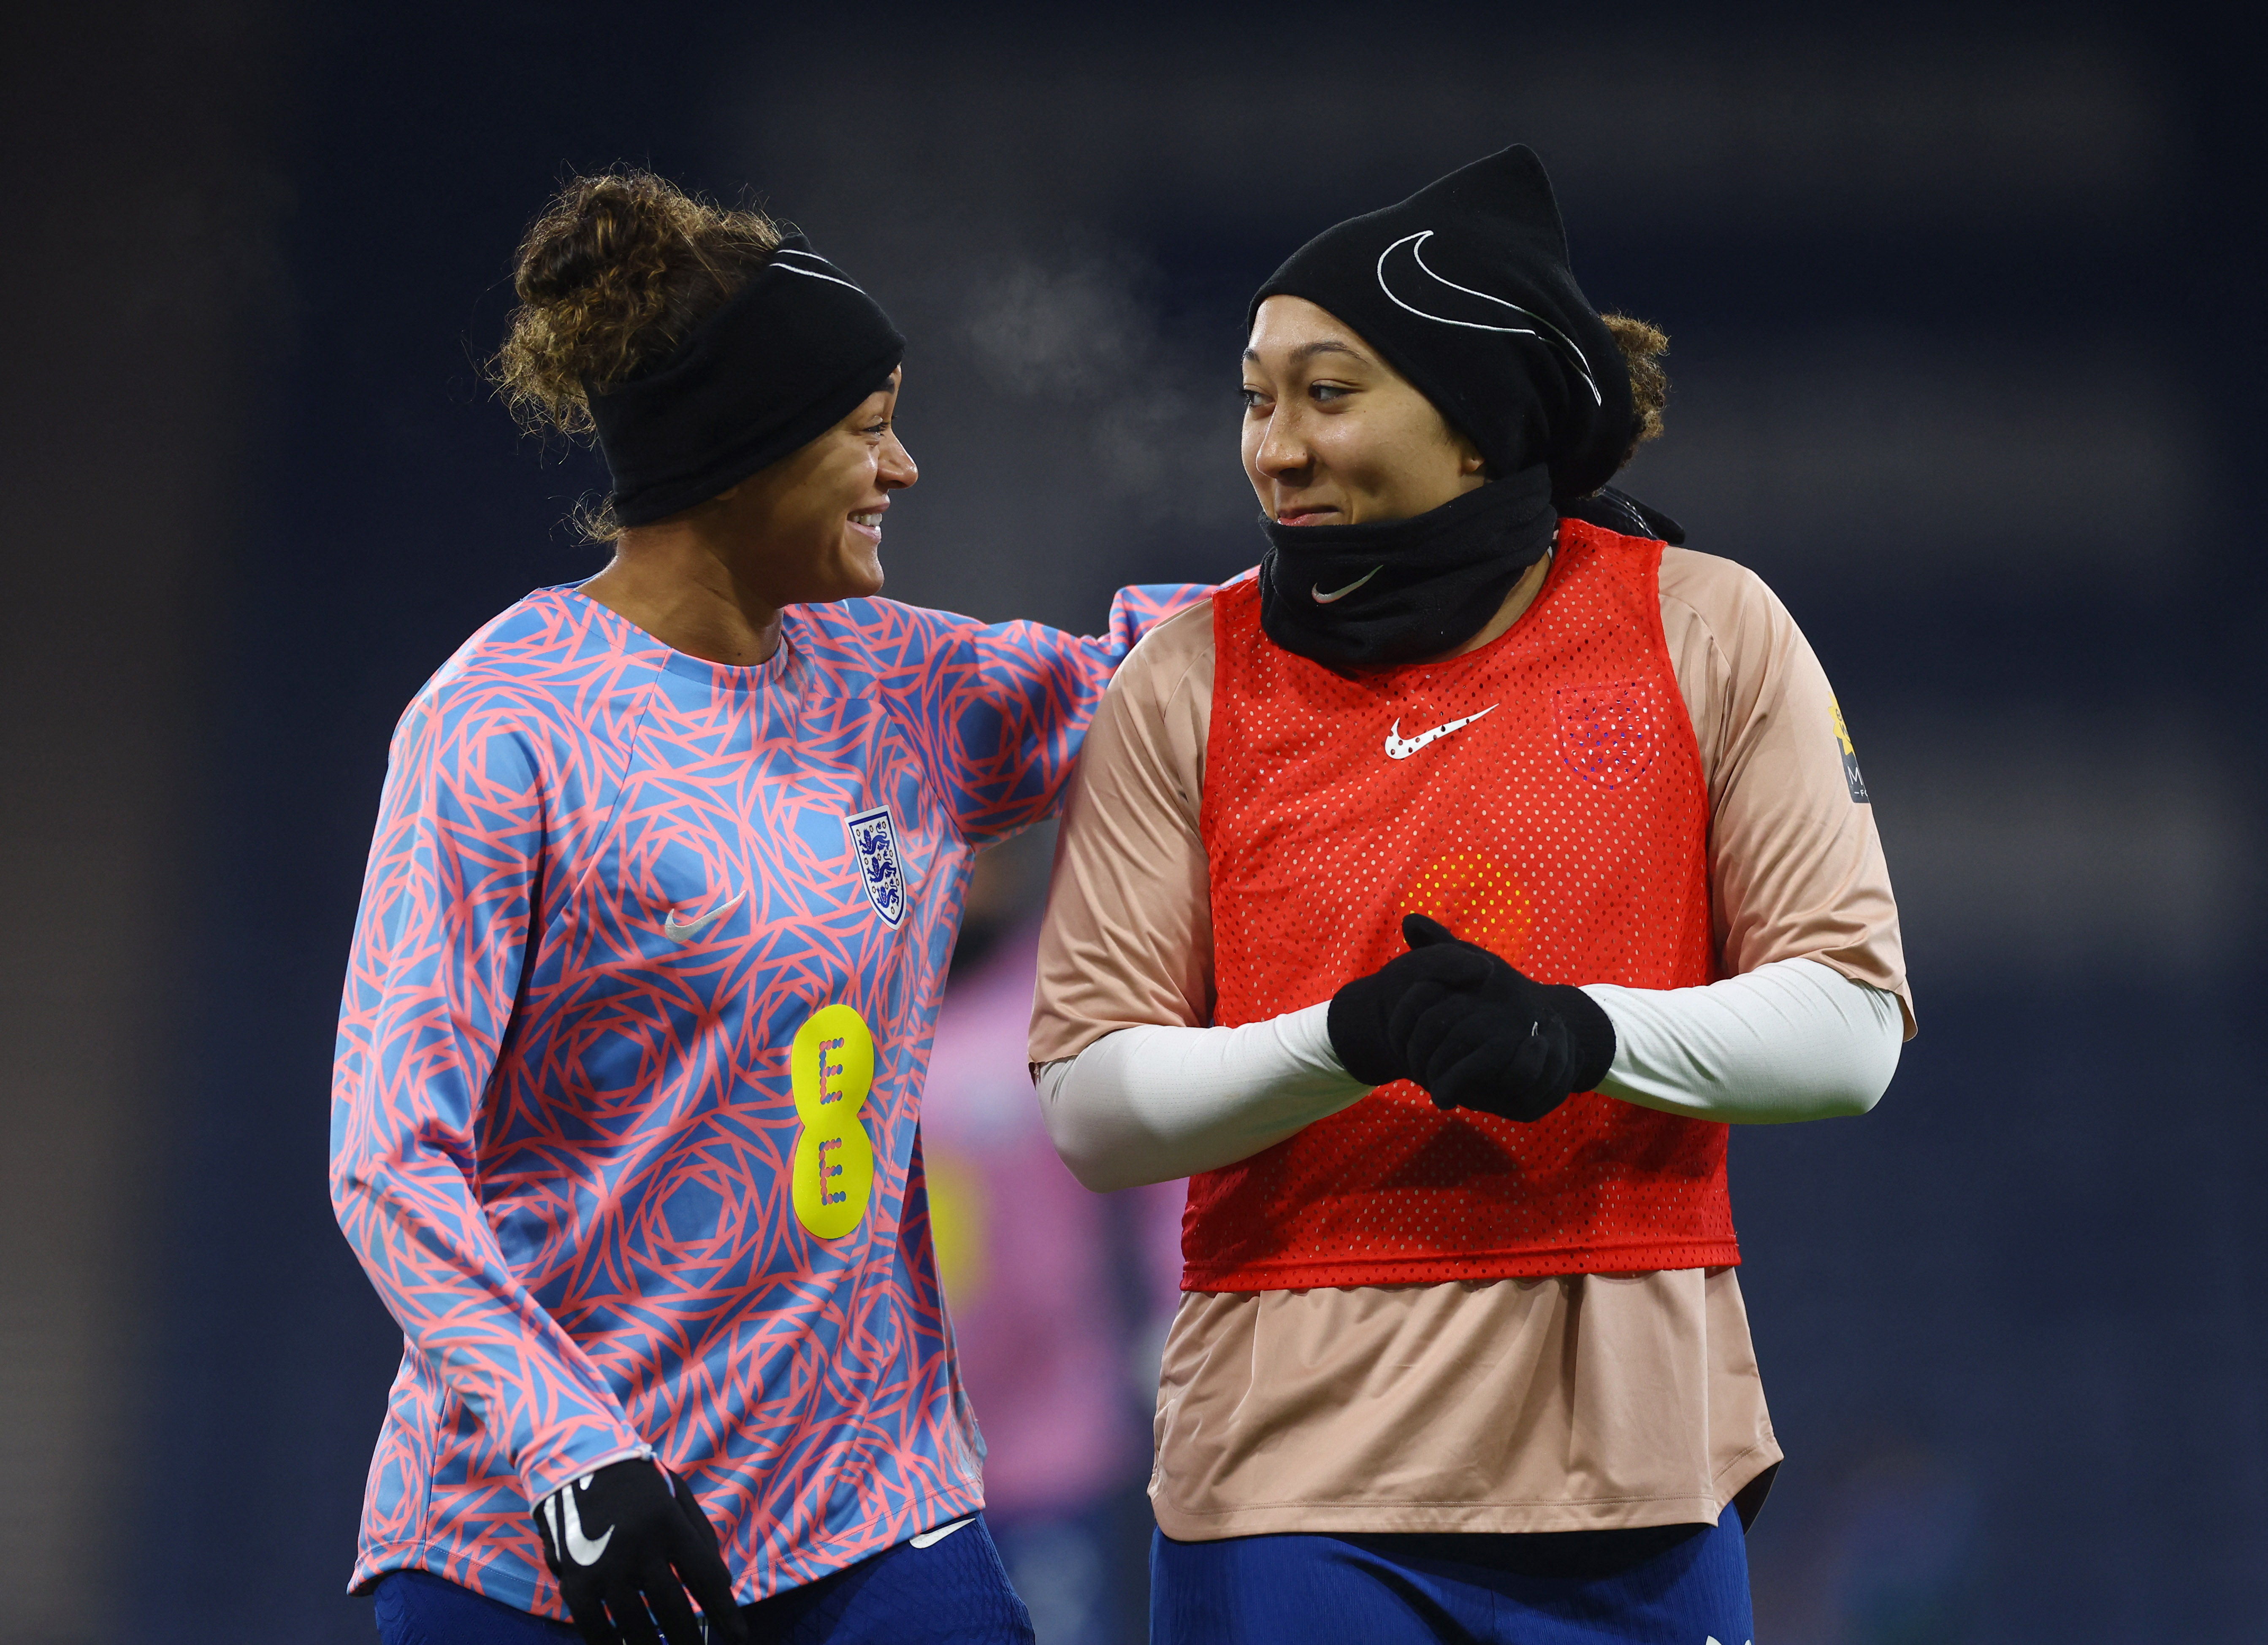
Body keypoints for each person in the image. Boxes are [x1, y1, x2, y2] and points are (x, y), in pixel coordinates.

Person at [1028, 144, 1913, 1643]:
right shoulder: (1182, 680)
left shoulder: (1709, 632)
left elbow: (1853, 1029)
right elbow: (1092, 1108)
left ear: (1484, 422)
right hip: (1285, 1491)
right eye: (1256, 397)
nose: (1275, 448)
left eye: (1329, 392)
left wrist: (1581, 1034)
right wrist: (1348, 1039)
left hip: (1638, 1472)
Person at [328, 169, 1205, 1645]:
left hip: (867, 1508)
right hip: (537, 1537)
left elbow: (1178, 674)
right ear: (742, 457)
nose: (905, 468)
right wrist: (574, 1449)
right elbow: (386, 1157)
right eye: (869, 430)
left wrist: (1464, 551)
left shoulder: (904, 683)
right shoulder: (499, 726)